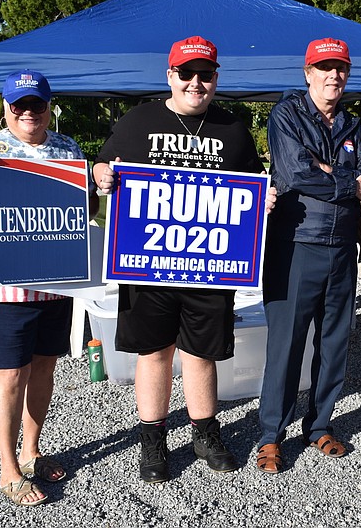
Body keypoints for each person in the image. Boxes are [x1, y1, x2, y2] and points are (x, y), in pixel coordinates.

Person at [93, 36, 269, 483]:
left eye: (205, 74)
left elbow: (253, 187)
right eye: (186, 73)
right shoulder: (140, 120)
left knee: (201, 354)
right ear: (170, 75)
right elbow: (102, 167)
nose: (196, 83)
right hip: (147, 263)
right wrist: (101, 175)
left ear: (216, 78)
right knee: (154, 353)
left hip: (210, 267)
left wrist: (262, 201)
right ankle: (152, 440)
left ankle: (204, 432)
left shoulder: (233, 129)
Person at [0, 70, 99, 506]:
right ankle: (8, 467)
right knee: (10, 374)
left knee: (44, 369)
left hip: (54, 284)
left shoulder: (68, 148)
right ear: (5, 107)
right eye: (18, 104)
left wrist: (96, 183)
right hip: (1, 289)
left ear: (48, 106)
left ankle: (32, 450)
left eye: (35, 104)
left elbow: (86, 210)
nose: (27, 112)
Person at [255, 37, 361, 474]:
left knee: (334, 342)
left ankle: (320, 424)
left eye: (340, 68)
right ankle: (271, 434)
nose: (334, 75)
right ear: (307, 73)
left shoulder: (353, 125)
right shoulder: (286, 115)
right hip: (296, 246)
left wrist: (328, 171)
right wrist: (349, 183)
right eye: (324, 68)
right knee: (286, 346)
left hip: (343, 249)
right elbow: (296, 174)